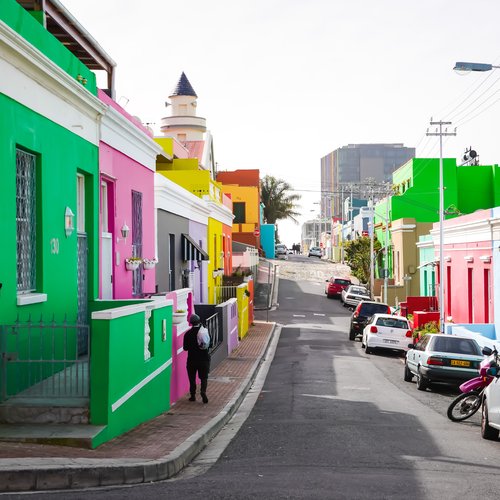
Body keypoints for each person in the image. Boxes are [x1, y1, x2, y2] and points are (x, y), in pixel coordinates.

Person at [183, 313, 210, 403]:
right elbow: (210, 344)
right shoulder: (204, 332)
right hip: (204, 359)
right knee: (204, 377)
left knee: (192, 378)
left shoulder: (187, 334)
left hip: (192, 360)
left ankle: (193, 395)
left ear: (191, 323)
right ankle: (203, 391)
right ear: (199, 322)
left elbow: (185, 348)